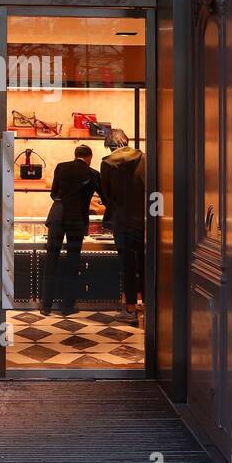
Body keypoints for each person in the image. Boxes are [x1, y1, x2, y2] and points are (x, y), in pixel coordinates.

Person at [42, 144, 103, 315]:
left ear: (75, 155)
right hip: (76, 220)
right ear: (89, 157)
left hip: (57, 215)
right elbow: (104, 197)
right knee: (72, 262)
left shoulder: (61, 167)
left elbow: (53, 194)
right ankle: (67, 306)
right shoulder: (93, 174)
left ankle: (46, 306)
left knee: (51, 259)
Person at [100, 129, 146, 326]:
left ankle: (130, 309)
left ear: (110, 145)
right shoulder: (144, 158)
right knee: (146, 265)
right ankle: (150, 307)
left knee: (128, 266)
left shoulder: (107, 163)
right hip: (145, 220)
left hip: (122, 221)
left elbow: (106, 193)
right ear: (126, 141)